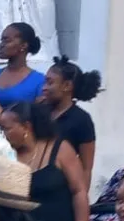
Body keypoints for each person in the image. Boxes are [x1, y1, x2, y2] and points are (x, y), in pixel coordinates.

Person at [0, 102, 89, 221]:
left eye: (6, 128)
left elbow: (79, 192)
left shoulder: (60, 149)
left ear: (26, 126)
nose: (2, 134)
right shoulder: (6, 155)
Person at [41, 56, 100, 187]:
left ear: (67, 86)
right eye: (44, 82)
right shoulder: (39, 112)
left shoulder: (82, 120)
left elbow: (86, 168)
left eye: (50, 83)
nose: (44, 88)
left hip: (61, 189)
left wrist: (81, 199)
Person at [0, 22, 47, 107]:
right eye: (1, 40)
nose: (1, 45)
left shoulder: (39, 81)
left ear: (23, 46)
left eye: (7, 40)